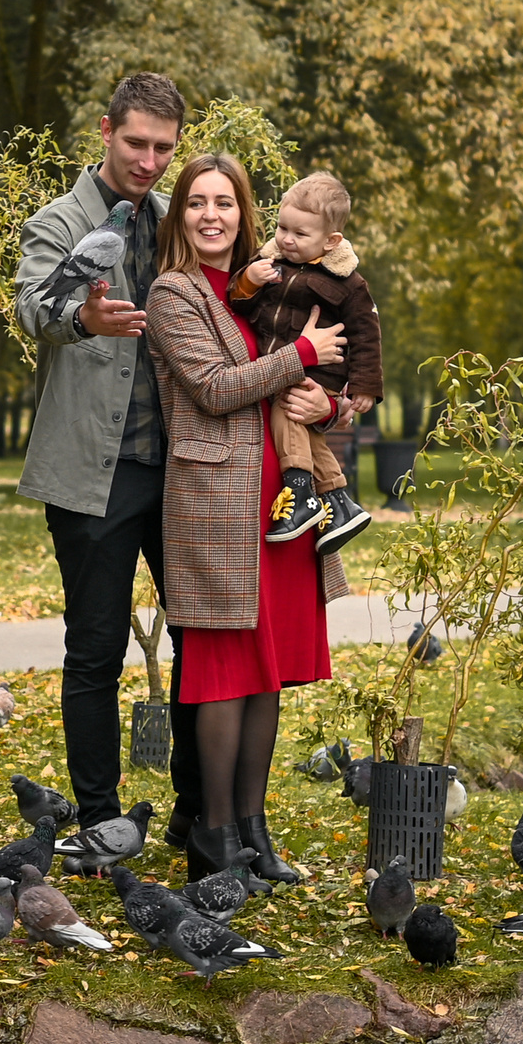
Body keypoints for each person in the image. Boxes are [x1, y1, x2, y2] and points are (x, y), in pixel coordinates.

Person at [143, 152, 351, 882]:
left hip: (287, 504)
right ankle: (215, 837)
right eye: (197, 202)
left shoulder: (274, 285)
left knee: (268, 672)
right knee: (223, 673)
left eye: (224, 202)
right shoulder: (173, 293)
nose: (211, 215)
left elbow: (338, 374)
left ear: (244, 213)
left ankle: (255, 835)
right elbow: (212, 386)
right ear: (181, 215)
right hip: (215, 502)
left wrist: (332, 401)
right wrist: (301, 353)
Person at [13, 74, 201, 845]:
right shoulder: (58, 223)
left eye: (164, 147)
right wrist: (82, 316)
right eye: (136, 143)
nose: (151, 161)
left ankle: (199, 810)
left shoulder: (176, 225)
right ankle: (98, 821)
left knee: (204, 637)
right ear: (104, 132)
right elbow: (35, 310)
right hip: (96, 473)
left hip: (185, 467)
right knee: (95, 647)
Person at [224, 171, 382, 555]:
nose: (286, 239)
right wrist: (249, 281)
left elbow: (367, 332)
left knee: (289, 411)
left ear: (331, 241)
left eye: (300, 234)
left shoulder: (348, 282)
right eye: (282, 227)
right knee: (307, 431)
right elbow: (239, 306)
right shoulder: (268, 263)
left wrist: (364, 386)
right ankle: (340, 502)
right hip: (282, 363)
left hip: (320, 372)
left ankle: (299, 488)